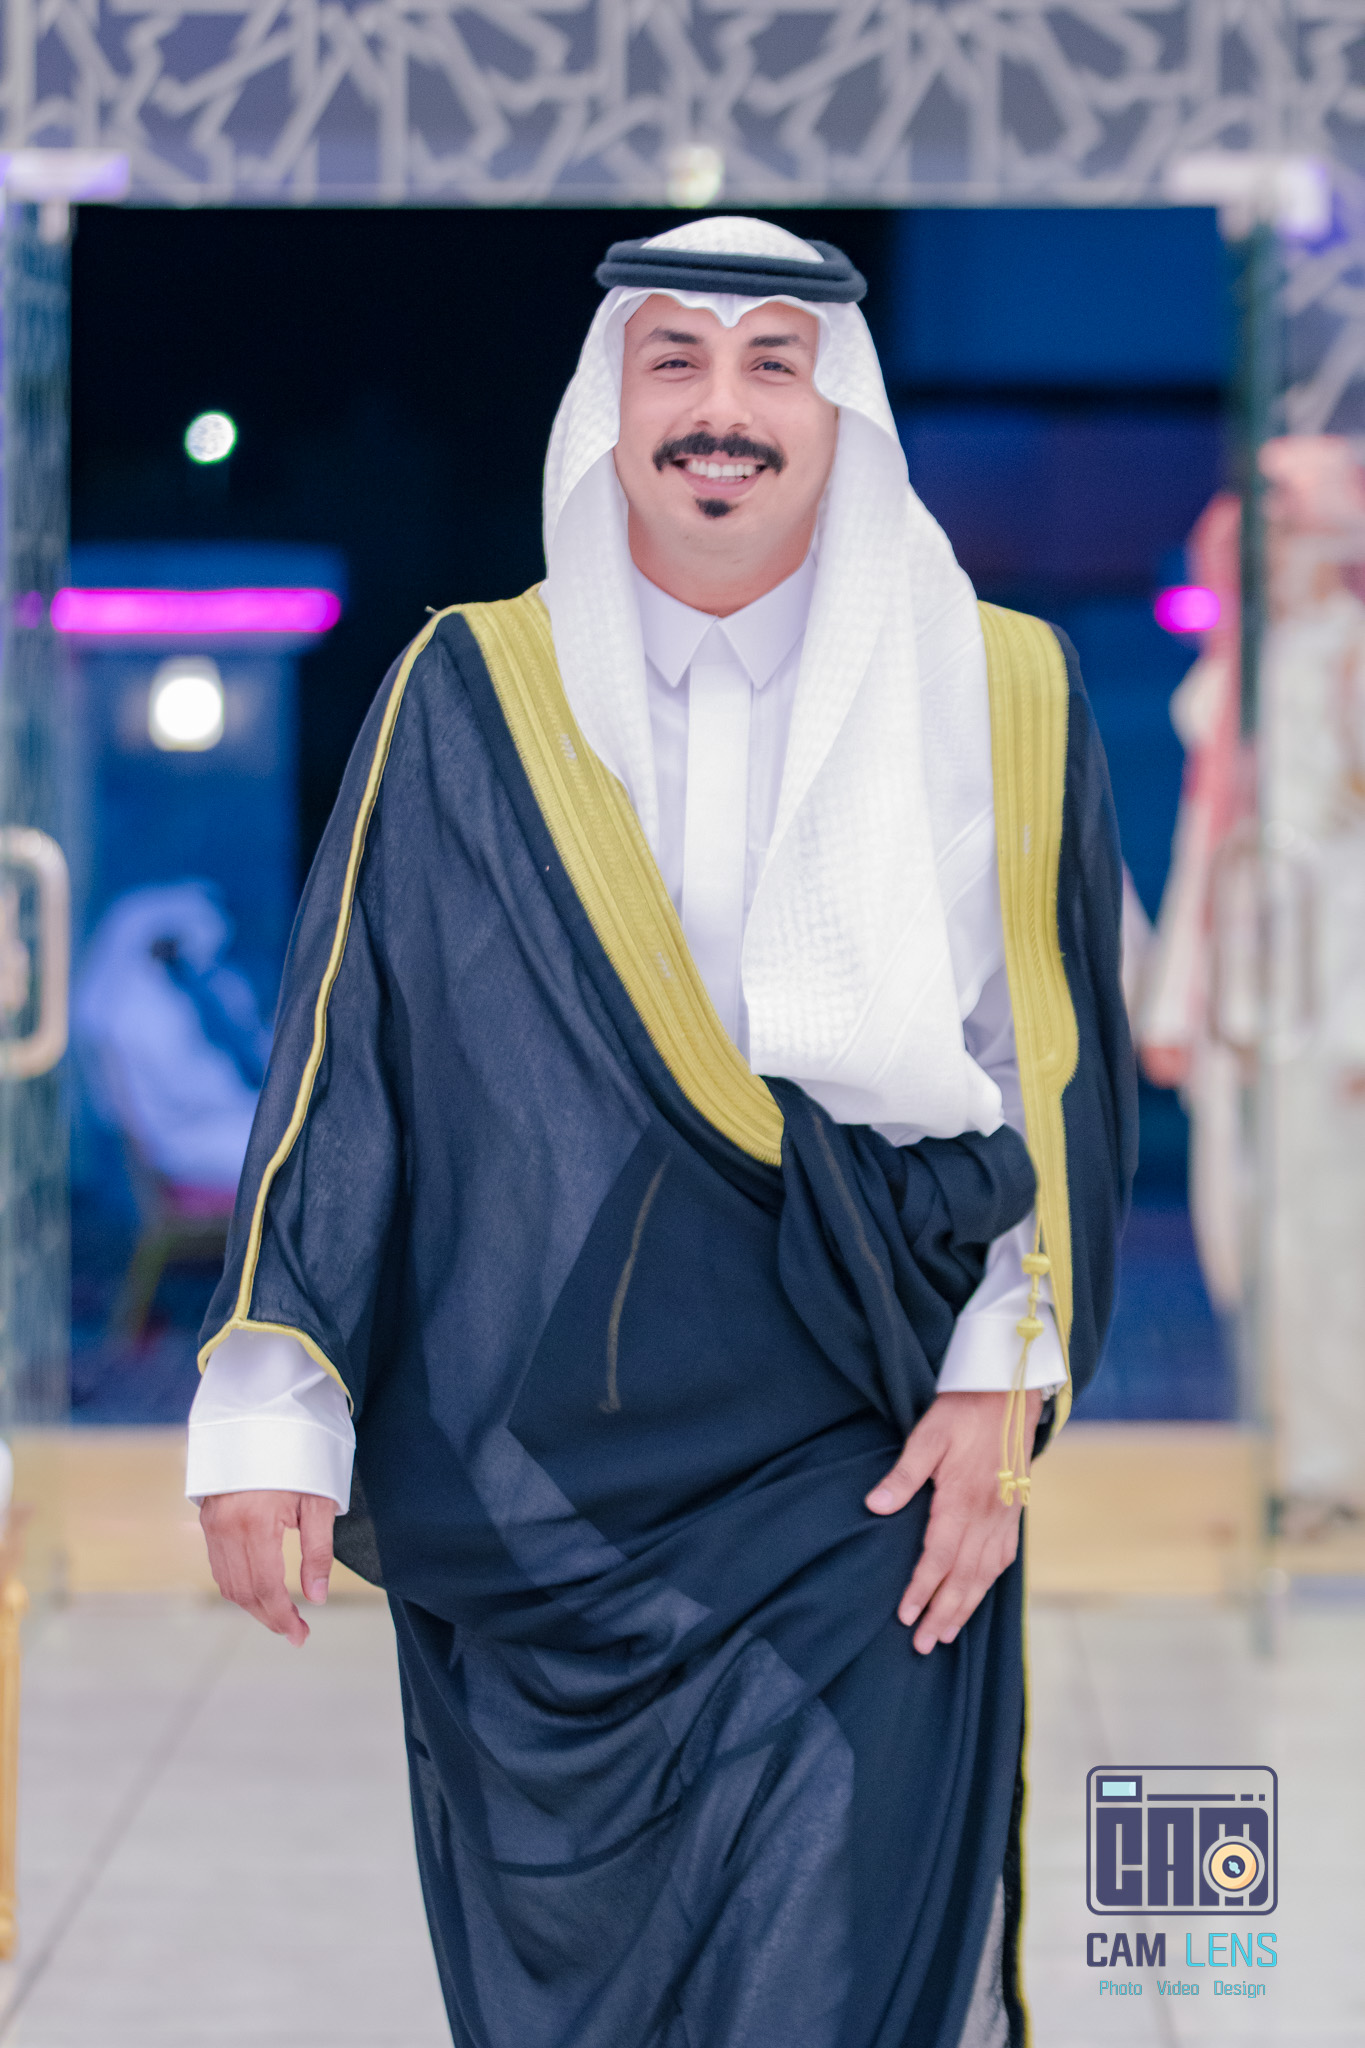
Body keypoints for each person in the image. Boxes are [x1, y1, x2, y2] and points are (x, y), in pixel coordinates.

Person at [188, 218, 1135, 2048]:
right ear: (606, 408)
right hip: (549, 1460)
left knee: (833, 1959)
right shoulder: (472, 688)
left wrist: (997, 1379)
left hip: (864, 1420)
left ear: (840, 408)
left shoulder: (998, 687)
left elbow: (1048, 1064)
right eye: (676, 362)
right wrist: (273, 1404)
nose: (725, 409)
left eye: (775, 361)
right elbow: (349, 1052)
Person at [1142, 436, 1365, 1532]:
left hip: (1330, 992)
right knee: (1250, 1230)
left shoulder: (1346, 659)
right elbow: (1208, 836)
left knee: (1324, 1228)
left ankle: (1330, 1466)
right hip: (1251, 989)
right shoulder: (1241, 663)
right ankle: (1298, 1453)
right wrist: (1175, 993)